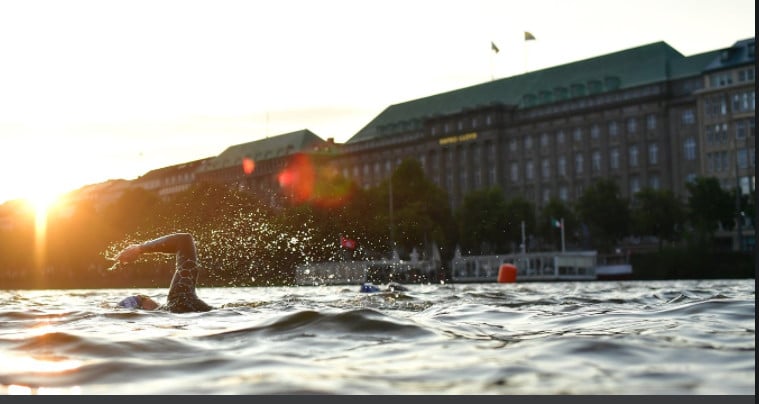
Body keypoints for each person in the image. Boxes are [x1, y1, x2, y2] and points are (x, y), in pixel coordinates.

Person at [112, 232, 212, 313]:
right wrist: (140, 249)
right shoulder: (179, 299)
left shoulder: (176, 306)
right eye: (141, 299)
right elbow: (184, 239)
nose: (146, 298)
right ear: (144, 309)